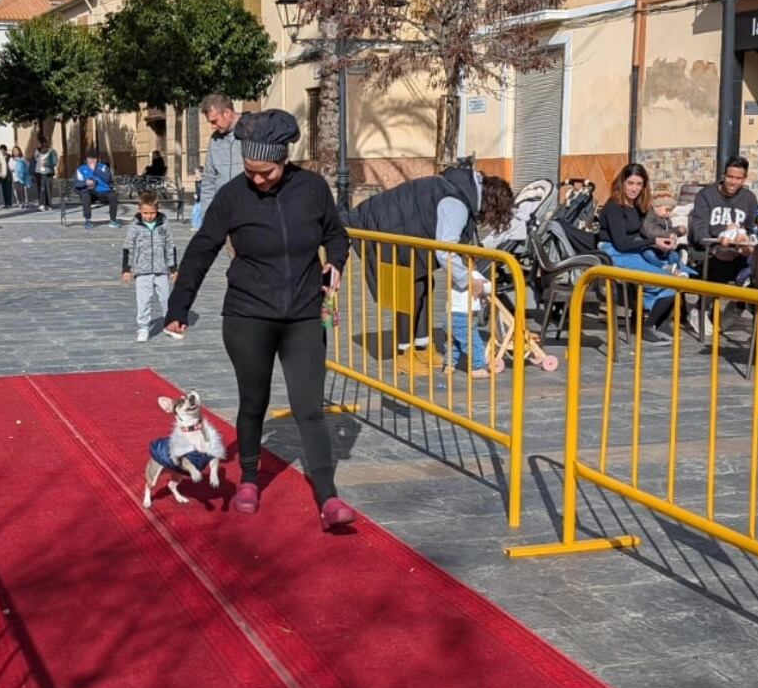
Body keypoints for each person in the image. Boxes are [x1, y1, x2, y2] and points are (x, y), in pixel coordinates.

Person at [165, 109, 356, 531]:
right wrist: (179, 308)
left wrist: (337, 262)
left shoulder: (312, 189)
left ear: (283, 160)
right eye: (251, 171)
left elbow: (335, 234)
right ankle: (249, 479)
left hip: (304, 313)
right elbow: (202, 249)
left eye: (265, 172)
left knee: (309, 408)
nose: (257, 179)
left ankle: (328, 497)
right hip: (248, 315)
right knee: (254, 401)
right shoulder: (233, 196)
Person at [348, 161, 487, 356]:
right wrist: (467, 280)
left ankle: (421, 345)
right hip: (382, 230)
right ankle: (405, 350)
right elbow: (446, 249)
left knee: (422, 283)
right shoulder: (456, 202)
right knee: (410, 289)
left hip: (392, 228)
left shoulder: (454, 189)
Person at [598, 163, 677, 341]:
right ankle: (648, 325)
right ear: (622, 183)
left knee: (679, 276)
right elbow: (620, 243)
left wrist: (666, 237)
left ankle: (652, 319)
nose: (634, 188)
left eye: (638, 184)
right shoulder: (614, 207)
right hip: (614, 252)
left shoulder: (637, 206)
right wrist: (653, 241)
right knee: (668, 281)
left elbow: (644, 232)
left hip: (634, 250)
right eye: (630, 183)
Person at [447, 177, 514, 373]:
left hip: (449, 313)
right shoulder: (472, 275)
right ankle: (477, 367)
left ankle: (448, 366)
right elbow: (485, 288)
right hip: (465, 315)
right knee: (471, 340)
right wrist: (489, 286)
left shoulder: (456, 272)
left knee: (452, 342)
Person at [688, 157, 758, 285]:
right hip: (711, 252)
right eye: (730, 177)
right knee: (719, 268)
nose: (733, 182)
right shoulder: (706, 195)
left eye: (738, 179)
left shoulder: (750, 199)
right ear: (724, 175)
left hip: (738, 251)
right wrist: (716, 250)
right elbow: (700, 232)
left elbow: (749, 230)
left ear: (744, 179)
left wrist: (746, 246)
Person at [123, 191, 180, 342]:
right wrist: (127, 269)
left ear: (158, 209)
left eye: (152, 213)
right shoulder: (135, 225)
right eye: (145, 213)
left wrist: (173, 268)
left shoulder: (163, 223)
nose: (149, 216)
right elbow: (128, 247)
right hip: (142, 270)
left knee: (166, 299)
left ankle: (169, 324)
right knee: (143, 300)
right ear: (139, 210)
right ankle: (143, 327)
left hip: (162, 269)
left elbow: (170, 246)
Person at [198, 93, 244, 212]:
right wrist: (207, 220)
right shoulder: (215, 140)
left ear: (227, 113)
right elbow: (209, 181)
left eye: (214, 121)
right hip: (223, 214)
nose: (212, 127)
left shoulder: (253, 131)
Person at [640, 183, 690, 273]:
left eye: (670, 211)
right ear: (657, 206)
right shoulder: (650, 216)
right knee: (648, 255)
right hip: (651, 246)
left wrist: (678, 231)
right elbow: (649, 230)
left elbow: (670, 231)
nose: (668, 213)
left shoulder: (667, 220)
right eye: (667, 210)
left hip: (665, 248)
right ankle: (662, 266)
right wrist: (668, 234)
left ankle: (677, 269)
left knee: (674, 255)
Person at [75, 148, 119, 229]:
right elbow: (77, 183)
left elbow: (107, 179)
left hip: (103, 192)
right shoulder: (81, 169)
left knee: (113, 195)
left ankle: (113, 220)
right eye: (90, 159)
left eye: (94, 159)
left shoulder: (103, 167)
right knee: (85, 194)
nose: (92, 161)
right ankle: (88, 220)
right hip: (89, 192)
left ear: (97, 159)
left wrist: (95, 170)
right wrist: (86, 183)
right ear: (86, 159)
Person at [32, 137, 57, 211]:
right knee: (41, 189)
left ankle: (48, 204)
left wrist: (46, 163)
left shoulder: (51, 151)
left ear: (44, 143)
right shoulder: (37, 151)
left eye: (40, 143)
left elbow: (54, 162)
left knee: (47, 188)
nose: (38, 145)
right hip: (39, 172)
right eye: (38, 143)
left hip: (48, 172)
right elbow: (35, 160)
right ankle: (41, 204)